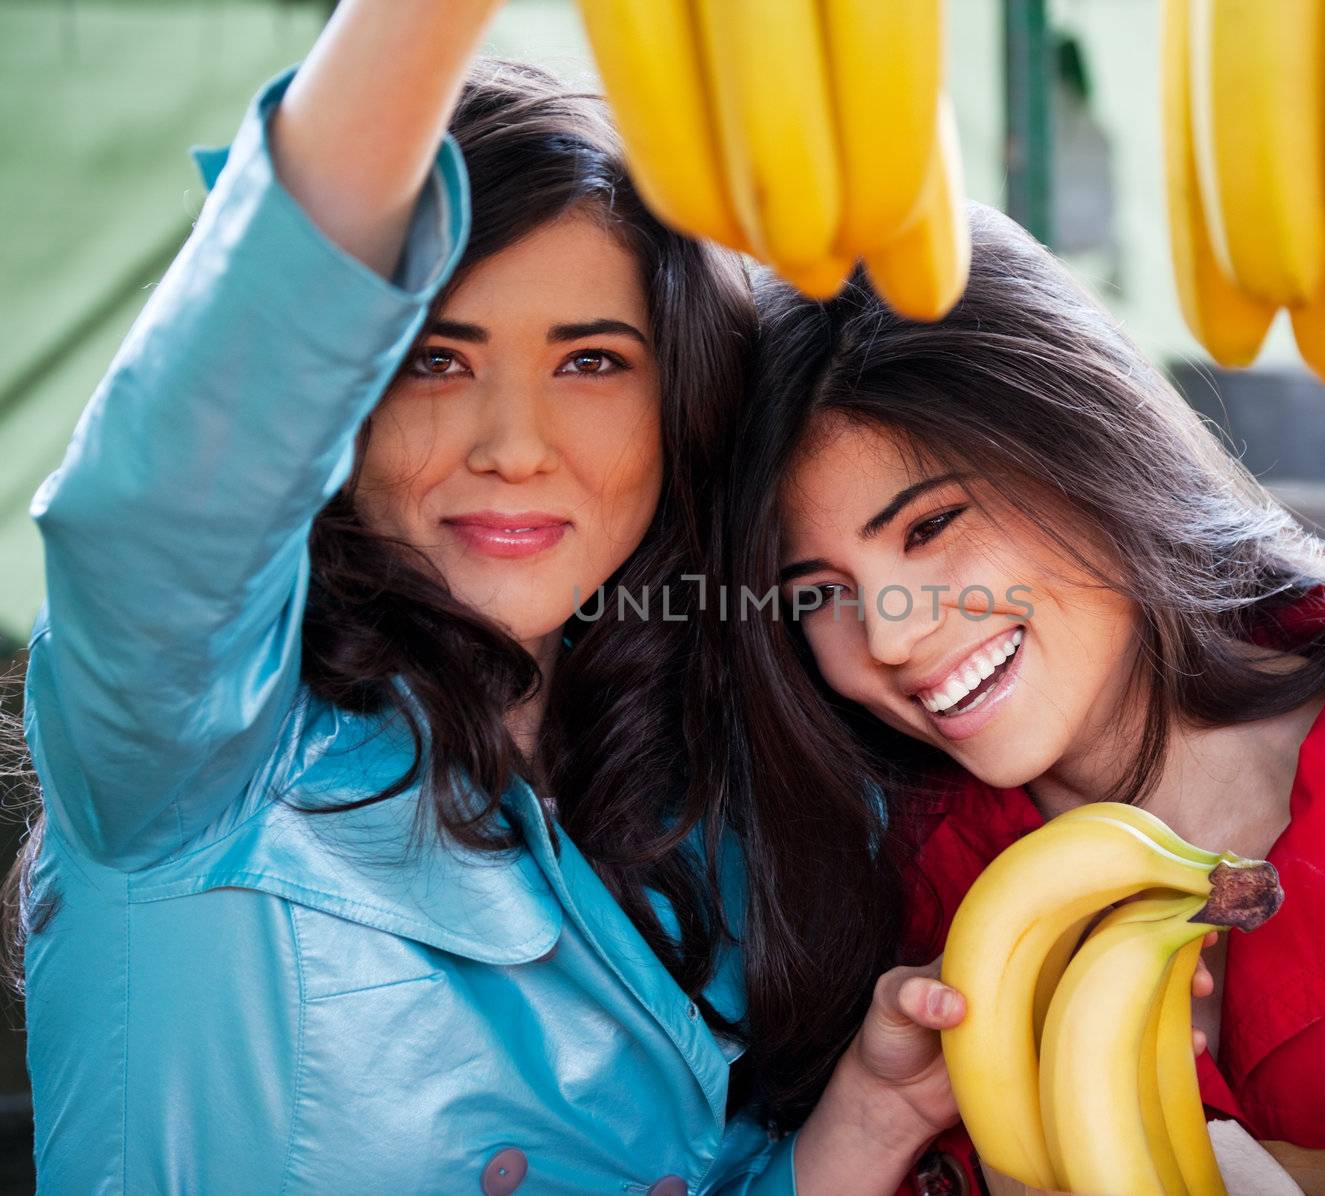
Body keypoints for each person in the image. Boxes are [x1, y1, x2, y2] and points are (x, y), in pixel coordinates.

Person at [4, 2, 958, 1190]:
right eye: (435, 360)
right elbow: (166, 486)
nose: (514, 445)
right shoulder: (191, 751)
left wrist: (867, 1113)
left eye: (592, 361)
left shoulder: (709, 811)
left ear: (680, 405)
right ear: (334, 398)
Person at [724, 202, 1325, 1195]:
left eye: (930, 527)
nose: (888, 635)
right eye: (819, 592)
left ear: (1088, 456)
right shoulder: (880, 896)